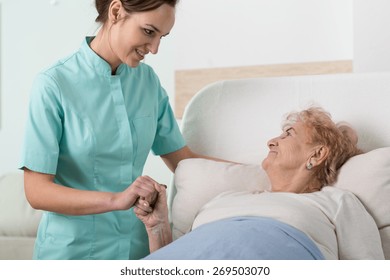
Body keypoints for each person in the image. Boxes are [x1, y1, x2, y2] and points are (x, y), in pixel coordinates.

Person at [19, 0, 210, 260]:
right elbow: (37, 191)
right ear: (116, 11)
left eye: (162, 37)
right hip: (71, 255)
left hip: (136, 252)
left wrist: (263, 176)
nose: (154, 49)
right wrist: (115, 200)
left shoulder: (148, 83)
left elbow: (185, 162)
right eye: (149, 32)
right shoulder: (54, 84)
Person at [135, 107, 385, 259]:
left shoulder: (337, 202)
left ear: (317, 154)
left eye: (288, 134)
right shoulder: (224, 199)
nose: (271, 142)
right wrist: (157, 227)